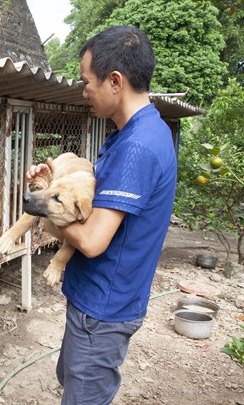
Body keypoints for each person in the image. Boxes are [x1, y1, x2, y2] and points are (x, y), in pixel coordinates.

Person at [28, 25, 178, 404]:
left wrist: (47, 210)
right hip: (96, 301)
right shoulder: (132, 134)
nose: (84, 92)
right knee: (72, 380)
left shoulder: (138, 147)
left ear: (115, 81)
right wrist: (55, 188)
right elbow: (89, 205)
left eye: (87, 82)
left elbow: (93, 240)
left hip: (103, 309)